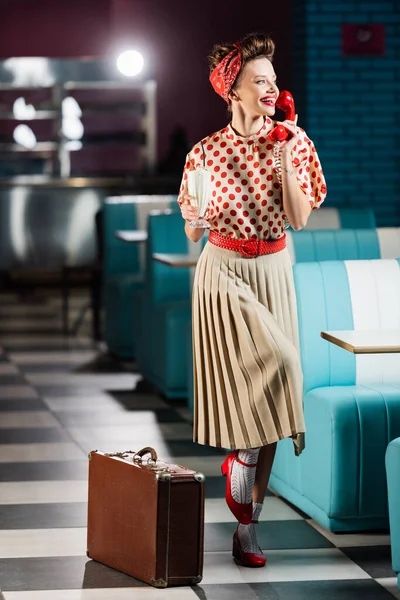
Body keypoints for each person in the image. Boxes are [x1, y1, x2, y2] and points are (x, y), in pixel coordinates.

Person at [178, 32, 327, 567]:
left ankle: (247, 529)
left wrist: (286, 153)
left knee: (270, 402)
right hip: (223, 272)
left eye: (273, 80)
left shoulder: (295, 140)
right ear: (232, 93)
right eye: (258, 81)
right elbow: (194, 233)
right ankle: (240, 461)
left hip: (274, 269)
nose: (271, 88)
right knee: (282, 365)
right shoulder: (205, 152)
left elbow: (301, 218)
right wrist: (195, 218)